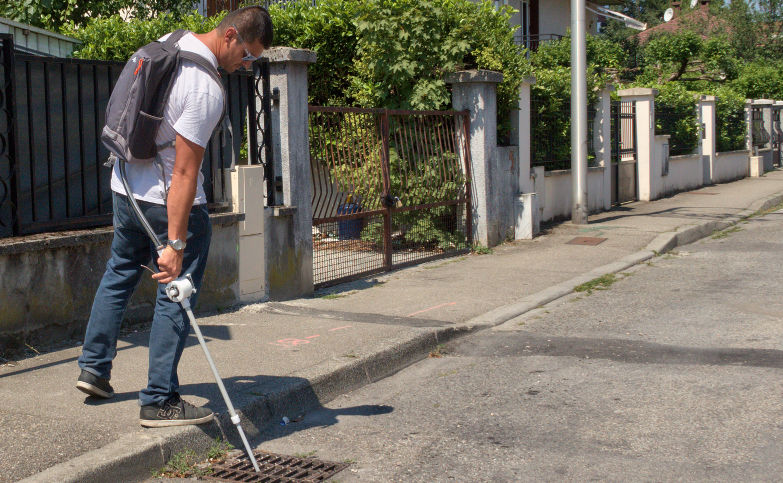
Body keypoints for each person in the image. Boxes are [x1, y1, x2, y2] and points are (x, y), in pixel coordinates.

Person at [75, 6, 273, 428]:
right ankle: (159, 399)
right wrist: (176, 244)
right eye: (248, 54)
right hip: (169, 206)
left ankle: (94, 370)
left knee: (119, 273)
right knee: (175, 295)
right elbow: (184, 172)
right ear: (231, 35)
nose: (247, 64)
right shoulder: (205, 88)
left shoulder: (173, 40)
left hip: (125, 188)